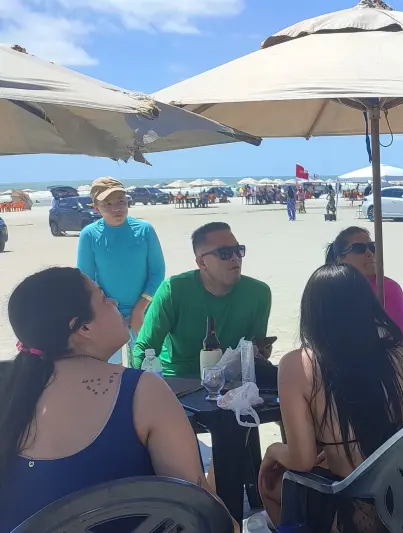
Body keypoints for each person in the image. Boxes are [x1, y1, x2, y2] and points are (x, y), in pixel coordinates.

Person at [0, 267, 224, 531]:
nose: (115, 302)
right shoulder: (141, 391)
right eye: (104, 298)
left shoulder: (11, 390)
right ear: (82, 327)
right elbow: (201, 513)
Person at [258, 264, 403, 533]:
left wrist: (273, 451)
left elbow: (302, 460)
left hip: (352, 507)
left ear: (312, 312)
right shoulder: (399, 355)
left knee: (270, 481)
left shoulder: (299, 364)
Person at [133, 222, 271, 378]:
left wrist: (261, 352)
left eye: (238, 250)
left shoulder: (259, 293)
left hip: (231, 381)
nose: (235, 258)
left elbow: (255, 351)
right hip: (178, 379)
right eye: (225, 253)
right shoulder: (173, 290)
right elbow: (144, 349)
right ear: (202, 262)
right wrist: (141, 387)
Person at [77, 177, 165, 366]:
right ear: (96, 208)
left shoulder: (144, 230)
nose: (116, 208)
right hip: (106, 313)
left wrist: (140, 309)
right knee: (111, 371)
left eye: (121, 201)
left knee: (146, 368)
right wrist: (109, 311)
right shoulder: (89, 235)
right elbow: (86, 280)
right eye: (108, 204)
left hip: (145, 310)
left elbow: (158, 272)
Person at [325, 227, 403, 350]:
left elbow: (399, 342)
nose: (370, 253)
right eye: (359, 248)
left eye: (372, 247)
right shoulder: (328, 287)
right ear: (340, 258)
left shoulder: (388, 288)